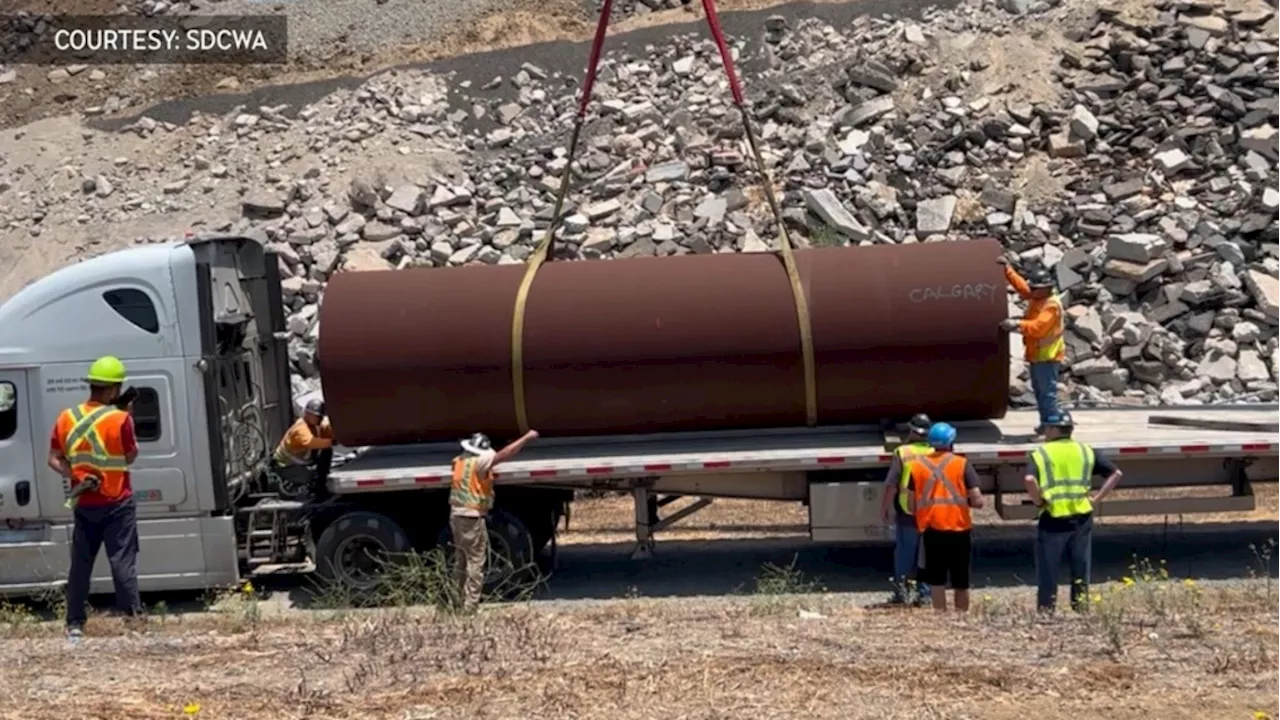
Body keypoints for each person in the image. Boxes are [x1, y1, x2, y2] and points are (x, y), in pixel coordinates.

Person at [47, 356, 143, 642]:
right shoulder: (120, 418)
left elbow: (53, 460)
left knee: (81, 564)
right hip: (117, 503)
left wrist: (75, 475)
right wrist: (129, 415)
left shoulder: (66, 417)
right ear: (113, 391)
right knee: (122, 563)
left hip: (85, 503)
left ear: (92, 386)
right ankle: (133, 621)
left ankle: (74, 624)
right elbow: (130, 456)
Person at [1025, 411, 1123, 613]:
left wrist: (1039, 501)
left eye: (1046, 428)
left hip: (1053, 518)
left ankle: (1046, 610)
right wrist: (1096, 499)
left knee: (1048, 570)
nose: (1044, 432)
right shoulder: (1085, 450)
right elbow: (1116, 473)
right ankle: (1080, 608)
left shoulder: (1042, 453)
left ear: (1053, 429)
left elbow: (1029, 480)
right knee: (1080, 567)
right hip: (1082, 518)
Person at [450, 428, 539, 612]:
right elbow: (506, 454)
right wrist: (526, 438)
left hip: (456, 515)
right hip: (471, 517)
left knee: (461, 561)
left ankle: (455, 601)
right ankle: (470, 607)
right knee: (476, 561)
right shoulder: (480, 462)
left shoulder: (459, 461)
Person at [907, 422, 984, 612]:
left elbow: (910, 505)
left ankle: (941, 616)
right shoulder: (961, 464)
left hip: (931, 528)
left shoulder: (916, 466)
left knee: (936, 579)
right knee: (961, 580)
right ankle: (961, 616)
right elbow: (978, 500)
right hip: (959, 527)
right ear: (951, 441)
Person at [997, 256, 1065, 439]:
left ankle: (1052, 430)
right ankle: (1046, 425)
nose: (1031, 290)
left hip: (1048, 358)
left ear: (1045, 288)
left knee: (1047, 395)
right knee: (1041, 392)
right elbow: (1023, 288)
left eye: (1035, 288)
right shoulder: (1038, 297)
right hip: (1037, 357)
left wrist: (1017, 325)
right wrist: (1007, 270)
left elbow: (1038, 328)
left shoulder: (1051, 306)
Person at [878, 413, 934, 607]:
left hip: (908, 512)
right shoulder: (937, 452)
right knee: (927, 555)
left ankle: (901, 593)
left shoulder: (903, 452)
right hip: (931, 513)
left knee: (905, 553)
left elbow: (891, 485)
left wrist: (885, 508)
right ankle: (925, 595)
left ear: (912, 430)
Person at [271, 398, 334, 498]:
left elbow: (325, 430)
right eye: (318, 416)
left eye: (321, 416)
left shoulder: (314, 425)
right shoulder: (300, 428)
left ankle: (319, 484)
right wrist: (332, 442)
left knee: (326, 451)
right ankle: (314, 490)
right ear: (308, 414)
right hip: (285, 466)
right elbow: (310, 442)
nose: (320, 419)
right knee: (313, 477)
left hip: (298, 464)